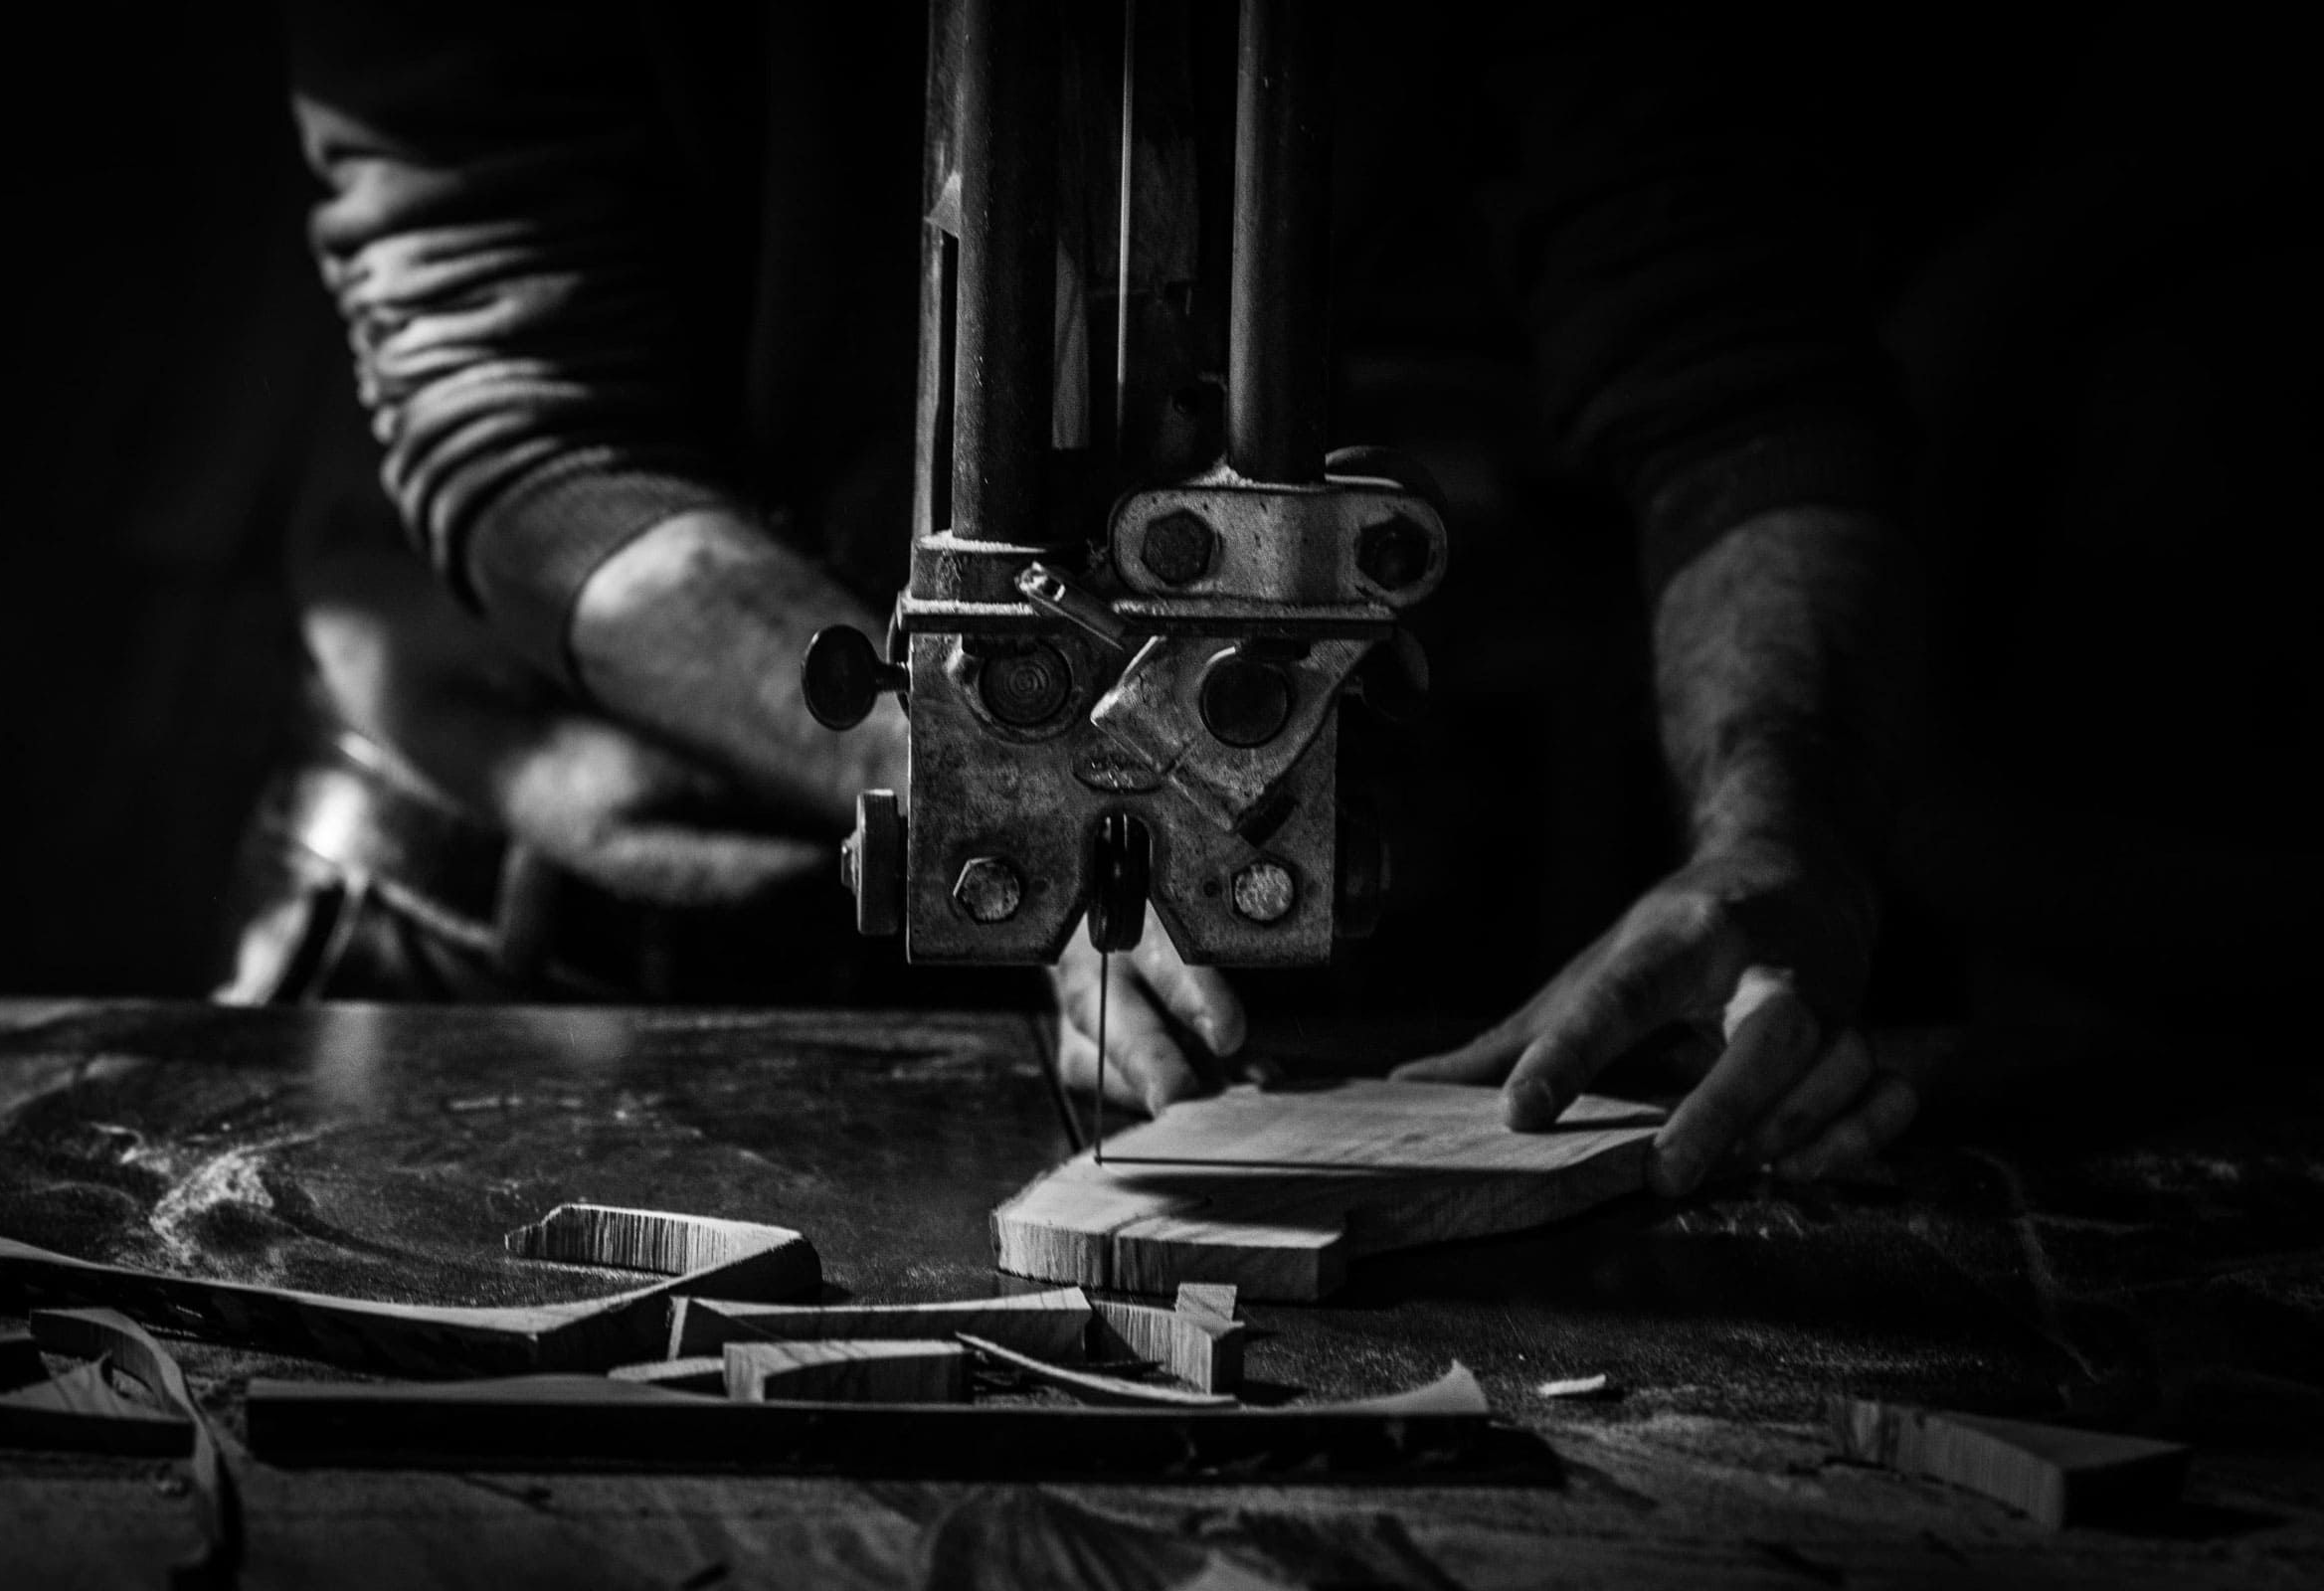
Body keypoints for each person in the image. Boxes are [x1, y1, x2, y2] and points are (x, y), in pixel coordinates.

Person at [239, 0, 1923, 1196]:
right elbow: (532, 447)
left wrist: (1781, 826)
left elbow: (1732, 354)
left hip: (1264, 948)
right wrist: (988, 779)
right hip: (563, 942)